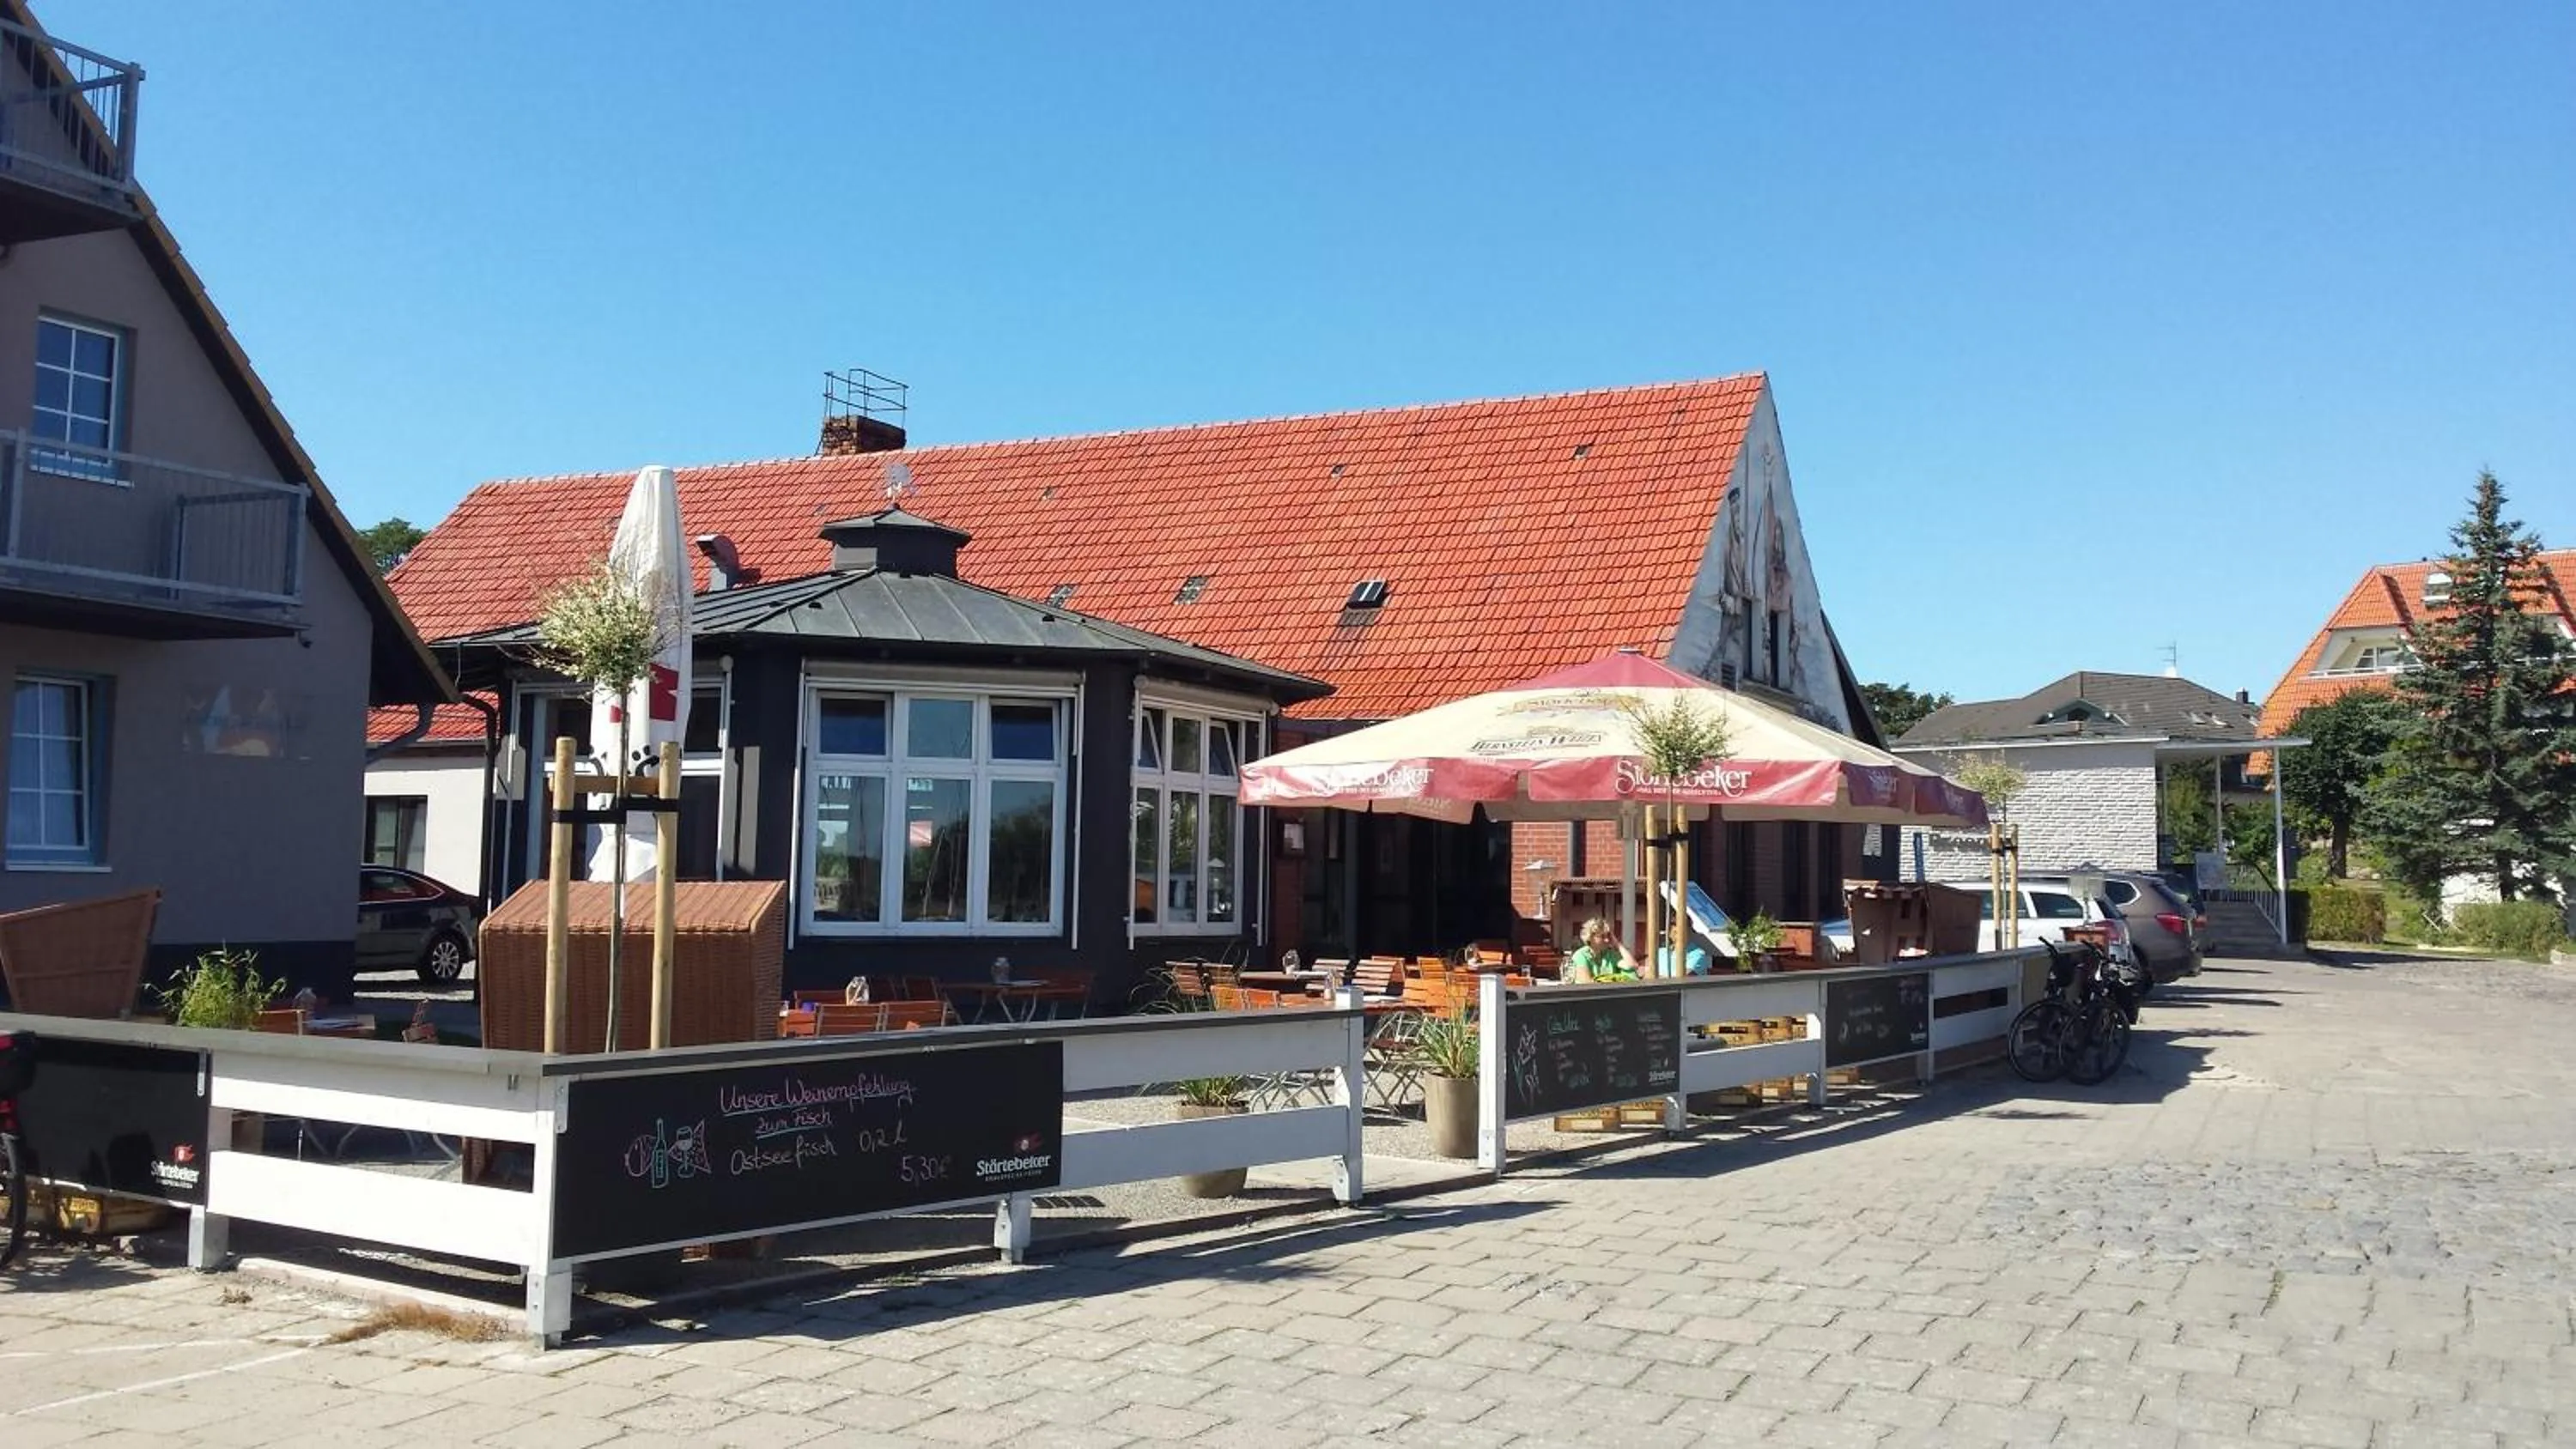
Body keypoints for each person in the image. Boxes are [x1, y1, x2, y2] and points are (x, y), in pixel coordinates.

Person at [1565, 918, 1641, 983]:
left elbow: (1633, 965)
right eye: (1602, 936)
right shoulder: (1581, 955)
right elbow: (1585, 983)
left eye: (1608, 936)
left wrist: (1617, 944)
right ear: (1590, 937)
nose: (1607, 940)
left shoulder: (1609, 954)